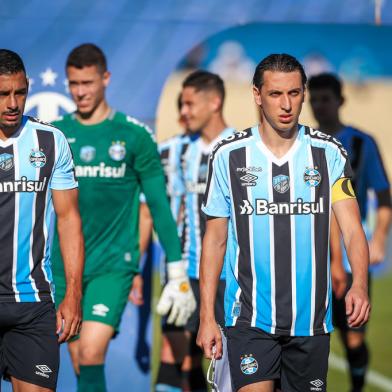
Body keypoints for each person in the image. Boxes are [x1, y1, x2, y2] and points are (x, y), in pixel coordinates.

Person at [197, 53, 370, 392]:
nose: (286, 104)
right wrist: (207, 316)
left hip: (311, 321)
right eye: (276, 94)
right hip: (248, 319)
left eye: (293, 93)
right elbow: (214, 239)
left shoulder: (329, 153)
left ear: (303, 93)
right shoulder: (229, 156)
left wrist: (360, 283)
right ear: (257, 95)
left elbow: (351, 228)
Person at [51, 43, 196, 392]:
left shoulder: (133, 135)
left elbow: (158, 206)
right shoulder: (54, 135)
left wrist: (175, 269)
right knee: (76, 360)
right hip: (62, 267)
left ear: (106, 78)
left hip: (113, 266)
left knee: (90, 351)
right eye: (74, 84)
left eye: (87, 82)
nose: (80, 92)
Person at [0, 49, 83, 392]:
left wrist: (73, 294)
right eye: (3, 94)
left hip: (32, 304)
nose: (13, 103)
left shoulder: (50, 141)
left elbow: (68, 220)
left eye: (20, 92)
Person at [308, 72, 392, 392]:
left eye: (325, 99)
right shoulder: (304, 143)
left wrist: (380, 238)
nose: (319, 106)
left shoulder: (361, 142)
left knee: (353, 337)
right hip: (311, 258)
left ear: (340, 101)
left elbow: (384, 196)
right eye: (314, 100)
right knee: (309, 338)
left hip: (350, 256)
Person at [156, 71, 235, 392]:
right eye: (181, 104)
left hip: (228, 274)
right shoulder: (171, 151)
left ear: (214, 102)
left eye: (190, 103)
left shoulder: (239, 149)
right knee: (176, 356)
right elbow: (151, 210)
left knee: (225, 363)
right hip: (183, 274)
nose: (183, 111)